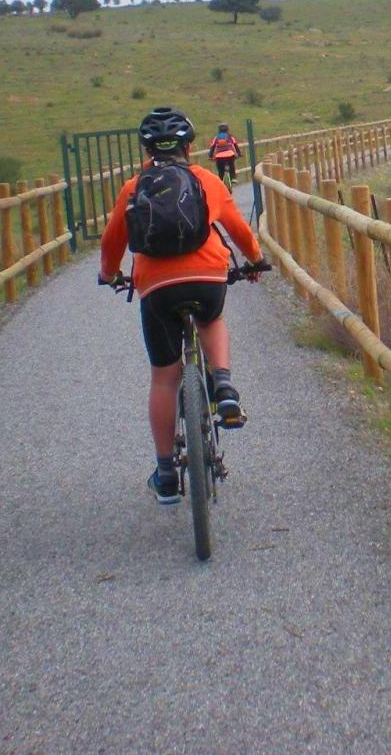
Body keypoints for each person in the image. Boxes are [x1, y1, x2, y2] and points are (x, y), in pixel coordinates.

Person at [99, 106, 264, 504]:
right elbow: (239, 229)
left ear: (147, 150)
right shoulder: (207, 180)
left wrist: (110, 274)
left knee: (164, 377)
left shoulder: (133, 187)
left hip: (156, 286)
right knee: (212, 319)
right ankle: (223, 384)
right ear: (189, 147)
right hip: (207, 277)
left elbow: (112, 241)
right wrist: (256, 260)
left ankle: (166, 474)